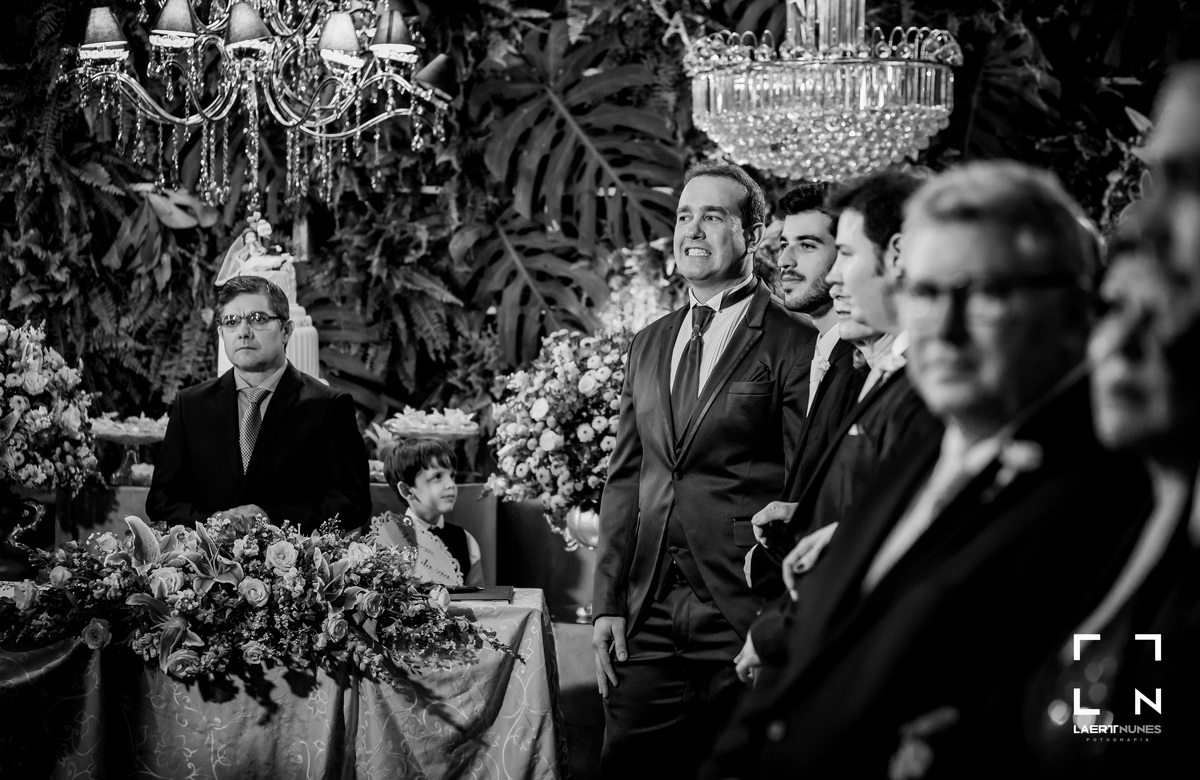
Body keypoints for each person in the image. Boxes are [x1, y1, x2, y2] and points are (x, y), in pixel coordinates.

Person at [700, 161, 1150, 780]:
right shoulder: (925, 443)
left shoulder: (1120, 499)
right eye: (927, 292)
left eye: (986, 293)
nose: (945, 327)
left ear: (1071, 312)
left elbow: (1121, 730)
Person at [591, 160, 813, 780]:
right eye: (684, 216)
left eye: (712, 217)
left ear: (753, 234)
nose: (692, 230)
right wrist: (608, 600)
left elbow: (804, 486)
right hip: (648, 612)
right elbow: (626, 477)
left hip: (741, 607)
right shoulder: (648, 342)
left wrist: (777, 617)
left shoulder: (793, 341)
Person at [745, 170, 941, 601]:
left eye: (842, 253)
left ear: (897, 257)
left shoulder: (922, 382)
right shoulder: (848, 360)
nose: (785, 261)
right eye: (784, 245)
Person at [147, 275, 371, 532]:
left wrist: (270, 520)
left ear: (286, 331)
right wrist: (215, 523)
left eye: (258, 319)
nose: (244, 332)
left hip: (293, 555)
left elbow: (354, 501)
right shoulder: (190, 406)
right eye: (231, 322)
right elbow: (161, 501)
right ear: (221, 333)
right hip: (207, 556)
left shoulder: (328, 406)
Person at [371, 438, 485, 588]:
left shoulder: (466, 541)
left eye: (452, 476)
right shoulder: (390, 541)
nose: (451, 485)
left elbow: (479, 596)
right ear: (406, 490)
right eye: (437, 477)